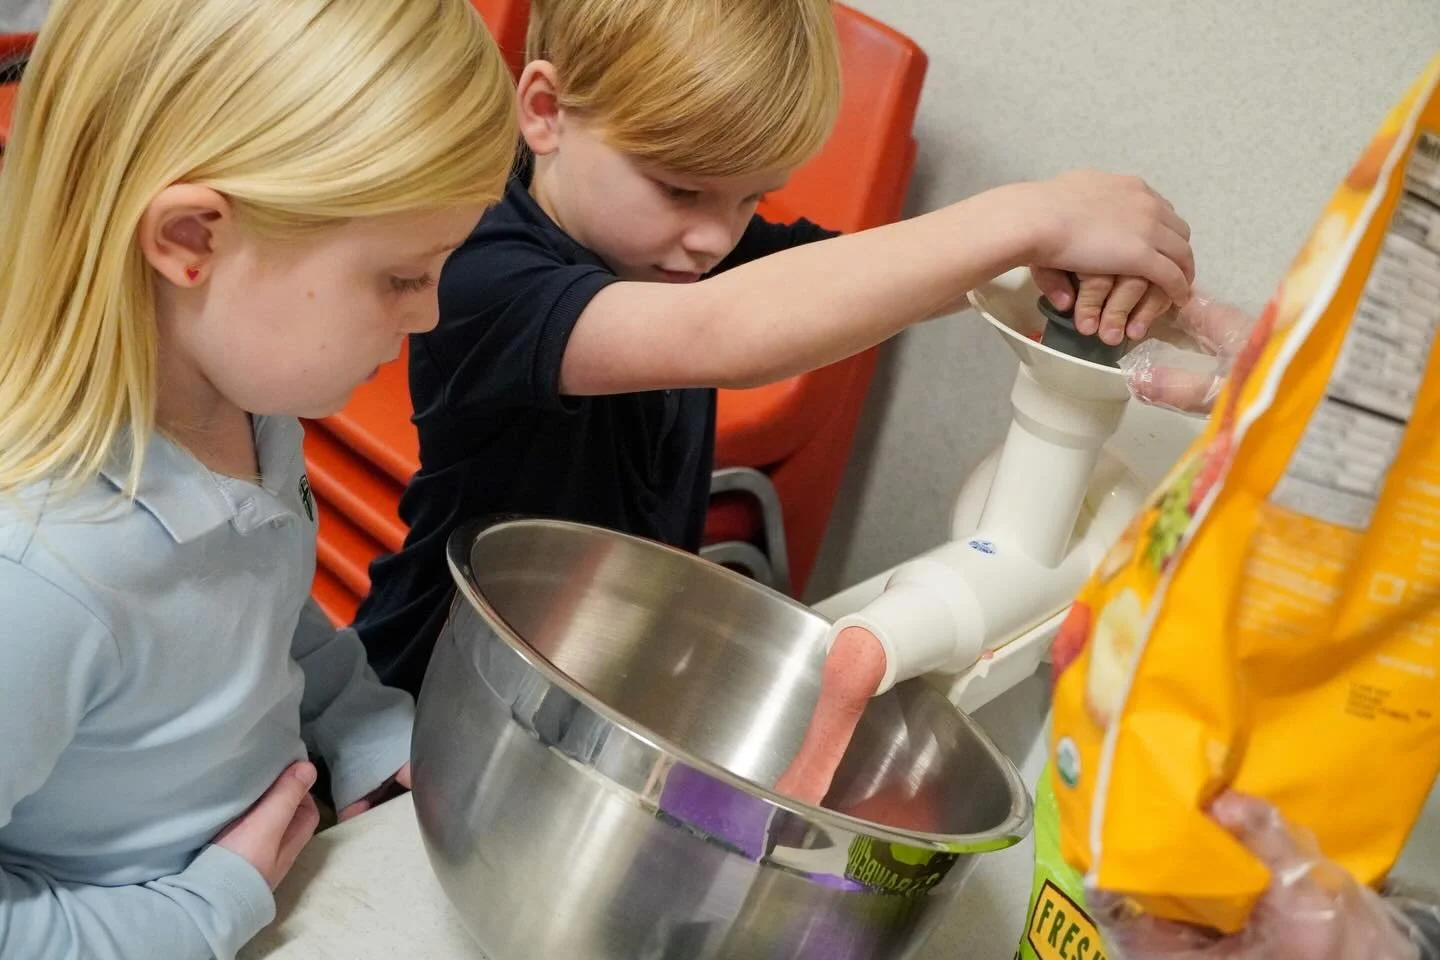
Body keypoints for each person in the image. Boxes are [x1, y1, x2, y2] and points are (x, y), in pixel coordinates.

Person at [354, 0, 1198, 696]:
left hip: (595, 659)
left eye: (750, 198)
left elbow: (868, 279)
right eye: (680, 188)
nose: (711, 240)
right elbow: (718, 332)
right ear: (545, 112)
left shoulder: (684, 248)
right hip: (437, 676)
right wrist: (1031, 215)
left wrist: (1052, 271)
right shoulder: (479, 273)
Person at [0, 1, 516, 957]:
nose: (433, 315)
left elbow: (259, 605)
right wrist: (200, 912)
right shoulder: (34, 579)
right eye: (402, 278)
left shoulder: (241, 398)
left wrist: (362, 730)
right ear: (193, 239)